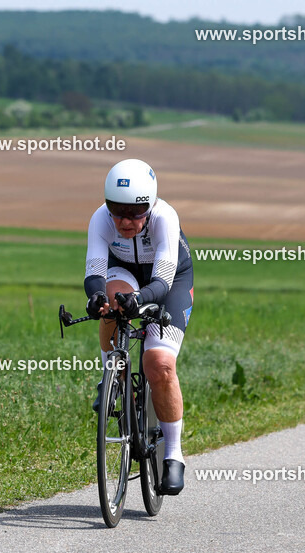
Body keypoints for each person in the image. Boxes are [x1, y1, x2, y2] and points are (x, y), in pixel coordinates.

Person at [84, 159, 194, 495]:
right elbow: (94, 273)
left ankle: (174, 455)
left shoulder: (165, 217)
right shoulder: (100, 220)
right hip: (124, 273)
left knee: (159, 364)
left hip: (168, 281)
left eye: (135, 212)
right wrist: (96, 297)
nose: (126, 221)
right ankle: (111, 375)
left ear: (151, 206)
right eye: (118, 211)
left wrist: (140, 300)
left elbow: (161, 282)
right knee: (111, 304)